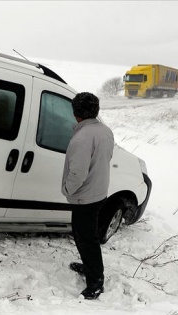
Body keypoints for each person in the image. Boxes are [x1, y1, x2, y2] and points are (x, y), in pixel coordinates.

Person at [61, 92, 114, 300]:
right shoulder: (105, 130)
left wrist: (67, 189)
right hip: (98, 192)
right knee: (84, 236)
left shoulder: (81, 138)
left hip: (85, 197)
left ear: (76, 113)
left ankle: (96, 282)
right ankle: (90, 268)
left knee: (86, 239)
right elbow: (106, 157)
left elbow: (78, 173)